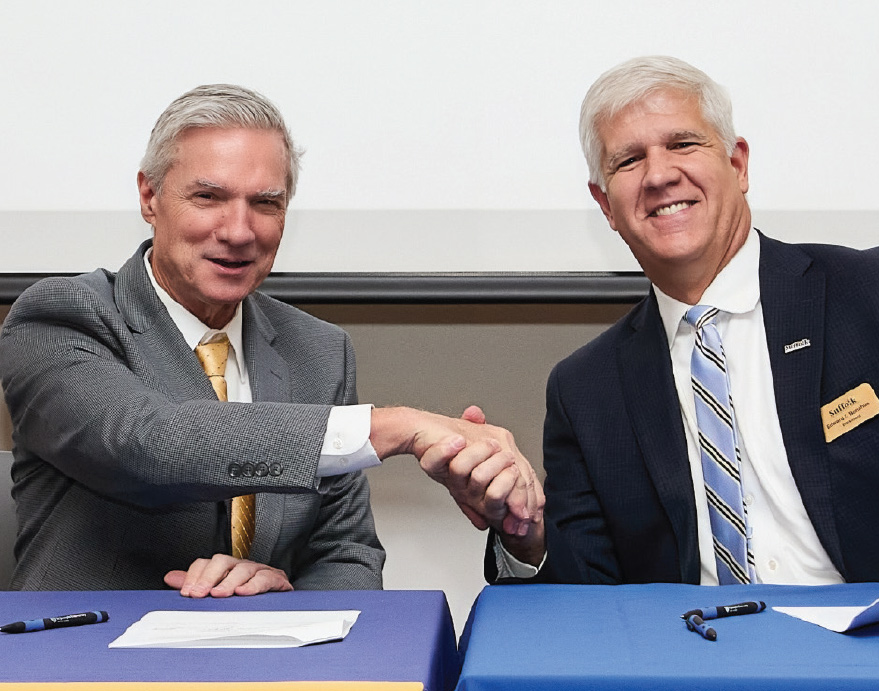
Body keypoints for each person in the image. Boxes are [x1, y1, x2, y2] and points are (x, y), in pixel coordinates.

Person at [0, 84, 542, 596]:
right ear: (150, 197)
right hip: (85, 659)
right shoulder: (61, 317)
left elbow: (346, 556)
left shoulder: (318, 350)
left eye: (265, 203)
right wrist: (399, 426)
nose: (239, 231)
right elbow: (146, 442)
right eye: (208, 196)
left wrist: (285, 598)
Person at [480, 55, 879, 586]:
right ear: (605, 205)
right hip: (698, 656)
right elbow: (583, 596)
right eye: (628, 161)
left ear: (738, 165)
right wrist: (525, 530)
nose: (658, 175)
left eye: (682, 144)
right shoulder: (585, 389)